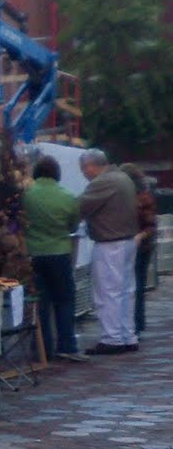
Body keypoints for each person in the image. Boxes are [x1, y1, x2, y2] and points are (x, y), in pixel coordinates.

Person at [22, 155, 85, 363]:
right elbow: (73, 226)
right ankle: (66, 344)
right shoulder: (68, 197)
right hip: (60, 252)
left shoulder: (26, 195)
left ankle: (42, 348)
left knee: (39, 301)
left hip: (33, 253)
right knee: (64, 300)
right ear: (57, 174)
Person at [77, 149, 139, 355]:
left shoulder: (103, 182)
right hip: (127, 240)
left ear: (91, 166)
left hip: (109, 243)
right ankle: (128, 335)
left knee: (107, 292)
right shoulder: (123, 178)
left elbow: (80, 206)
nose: (84, 174)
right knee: (126, 291)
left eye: (83, 169)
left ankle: (112, 338)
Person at [120, 163, 158, 337]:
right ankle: (137, 322)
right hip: (141, 245)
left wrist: (139, 236)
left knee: (135, 285)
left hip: (139, 246)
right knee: (138, 285)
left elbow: (150, 225)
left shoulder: (141, 198)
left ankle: (135, 322)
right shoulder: (143, 196)